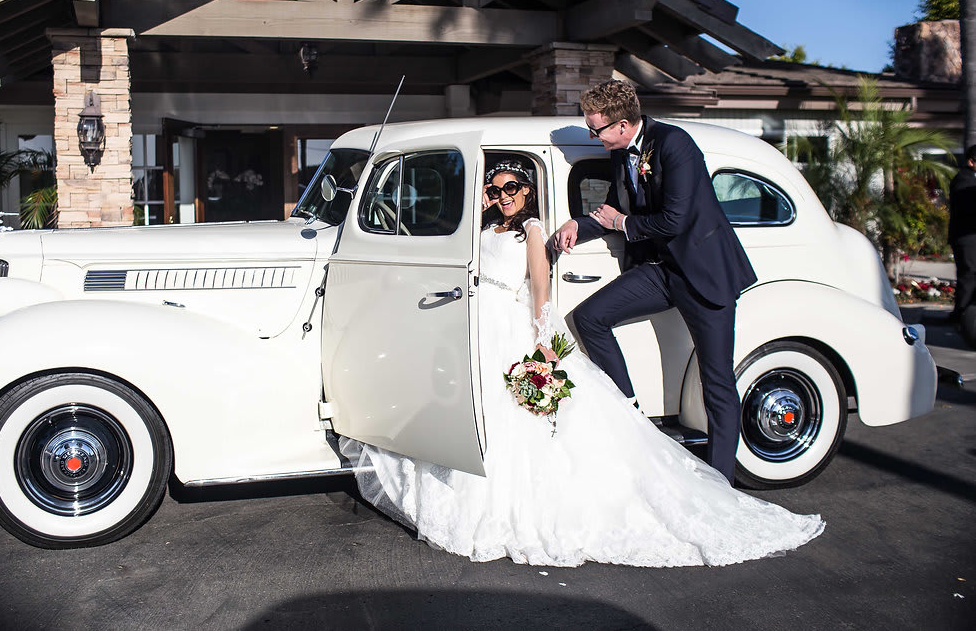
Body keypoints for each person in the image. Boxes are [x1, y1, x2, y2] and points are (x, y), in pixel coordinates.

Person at [339, 161, 823, 567]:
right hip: (475, 324)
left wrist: (543, 339)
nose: (504, 195)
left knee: (516, 417)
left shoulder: (531, 230)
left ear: (528, 191)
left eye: (512, 187)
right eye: (495, 189)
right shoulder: (483, 228)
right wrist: (482, 208)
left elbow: (540, 286)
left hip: (507, 324)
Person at [551, 80, 755, 484]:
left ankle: (722, 483)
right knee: (590, 317)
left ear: (623, 125)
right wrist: (579, 224)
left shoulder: (674, 144)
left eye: (596, 129)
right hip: (660, 270)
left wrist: (621, 223)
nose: (593, 136)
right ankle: (629, 414)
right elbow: (614, 209)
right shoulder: (619, 151)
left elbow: (675, 219)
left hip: (703, 273)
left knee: (716, 381)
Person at [948, 145, 976, 324]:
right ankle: (962, 316)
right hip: (966, 238)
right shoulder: (964, 180)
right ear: (971, 162)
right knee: (969, 276)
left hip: (968, 237)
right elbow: (969, 207)